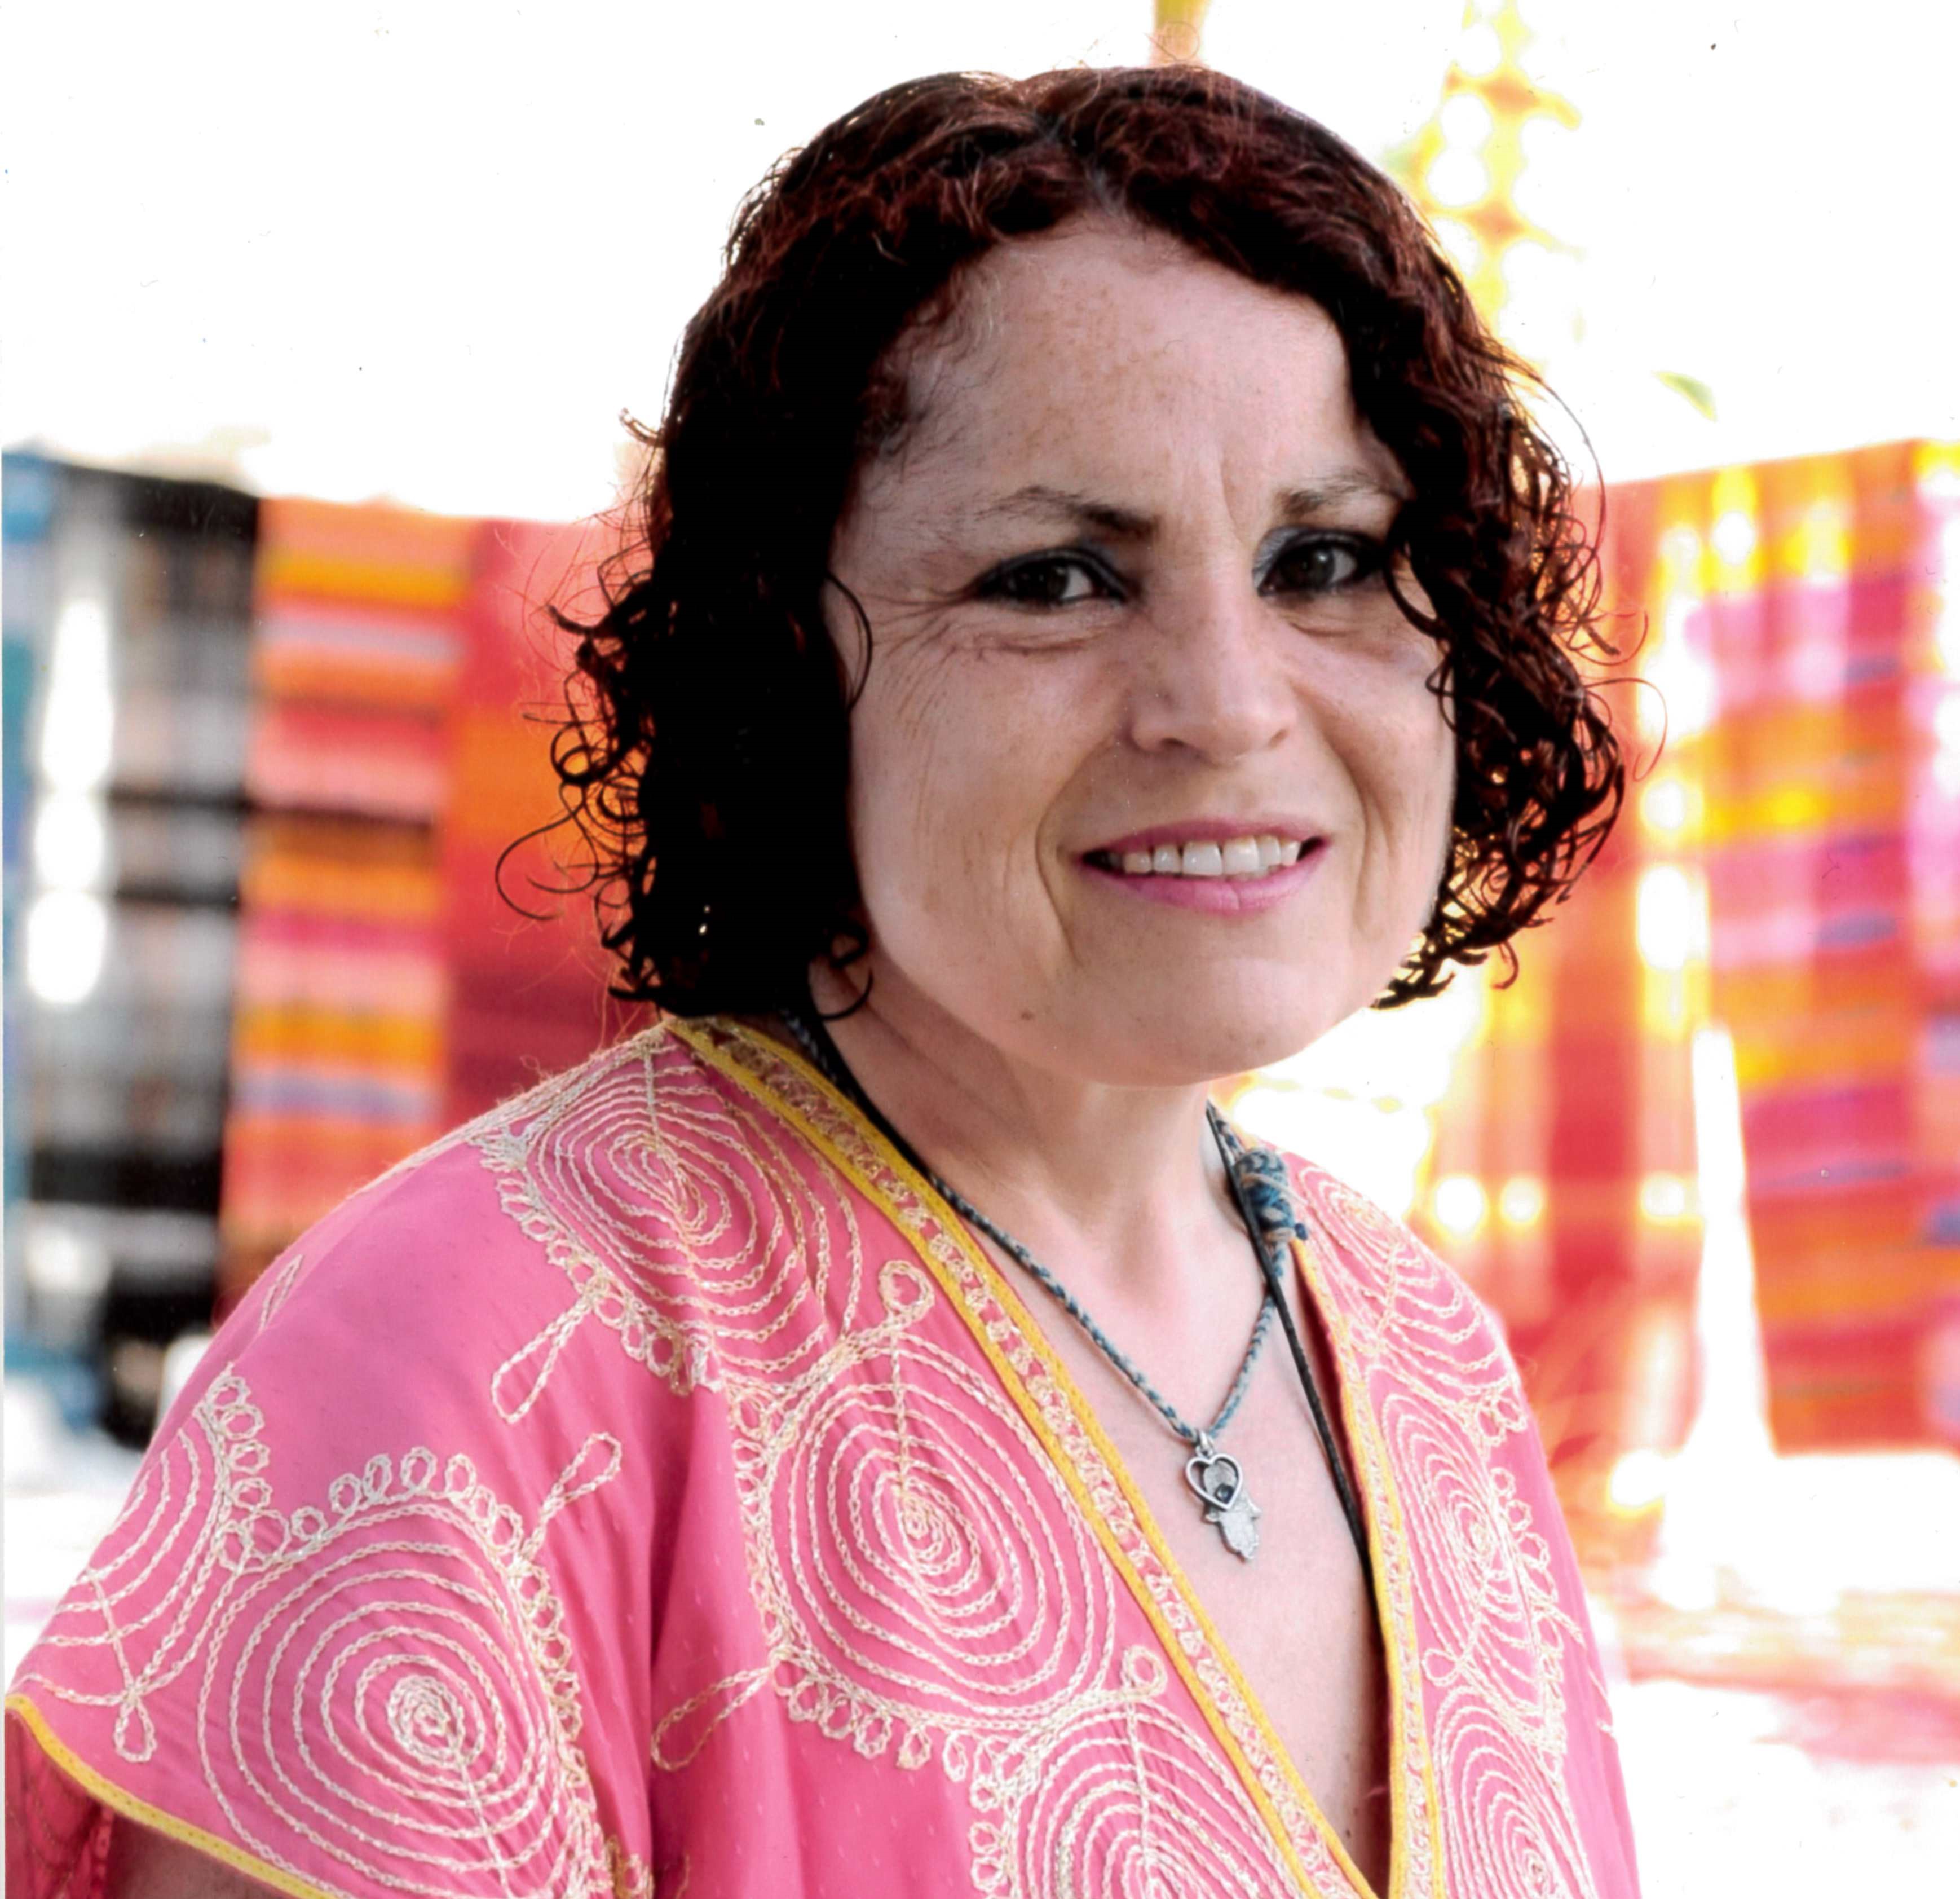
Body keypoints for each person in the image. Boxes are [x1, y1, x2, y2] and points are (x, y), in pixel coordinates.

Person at [7, 64, 1639, 1899]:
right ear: (782, 664)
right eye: (1055, 578)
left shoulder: (1424, 1358)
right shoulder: (471, 1358)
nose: (1227, 703)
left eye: (1322, 559)